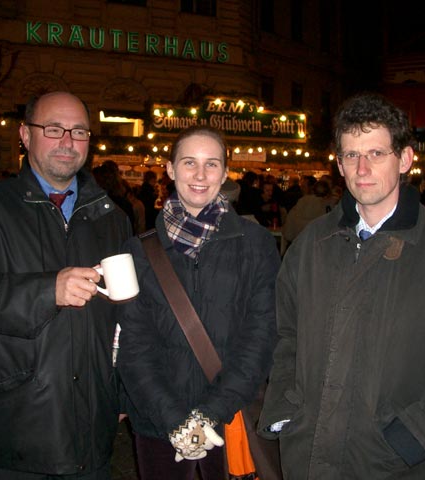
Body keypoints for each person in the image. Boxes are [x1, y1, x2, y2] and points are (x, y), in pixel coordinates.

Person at [258, 93, 425, 479]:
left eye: (376, 153)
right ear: (338, 163)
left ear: (404, 159)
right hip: (308, 457)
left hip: (391, 463)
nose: (362, 168)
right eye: (351, 155)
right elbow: (282, 335)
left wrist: (413, 436)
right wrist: (285, 411)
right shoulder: (311, 244)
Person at [0, 91, 133, 480]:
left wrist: (123, 388)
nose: (67, 141)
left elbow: (127, 317)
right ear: (25, 136)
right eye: (54, 128)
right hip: (13, 426)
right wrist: (47, 291)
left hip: (91, 424)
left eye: (79, 131)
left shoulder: (111, 216)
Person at [116, 125, 280, 480]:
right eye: (189, 162)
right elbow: (133, 346)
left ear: (225, 172)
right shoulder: (139, 251)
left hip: (229, 415)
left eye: (212, 164)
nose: (200, 175)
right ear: (171, 169)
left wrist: (210, 412)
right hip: (158, 422)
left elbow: (261, 337)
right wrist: (173, 421)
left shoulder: (256, 244)